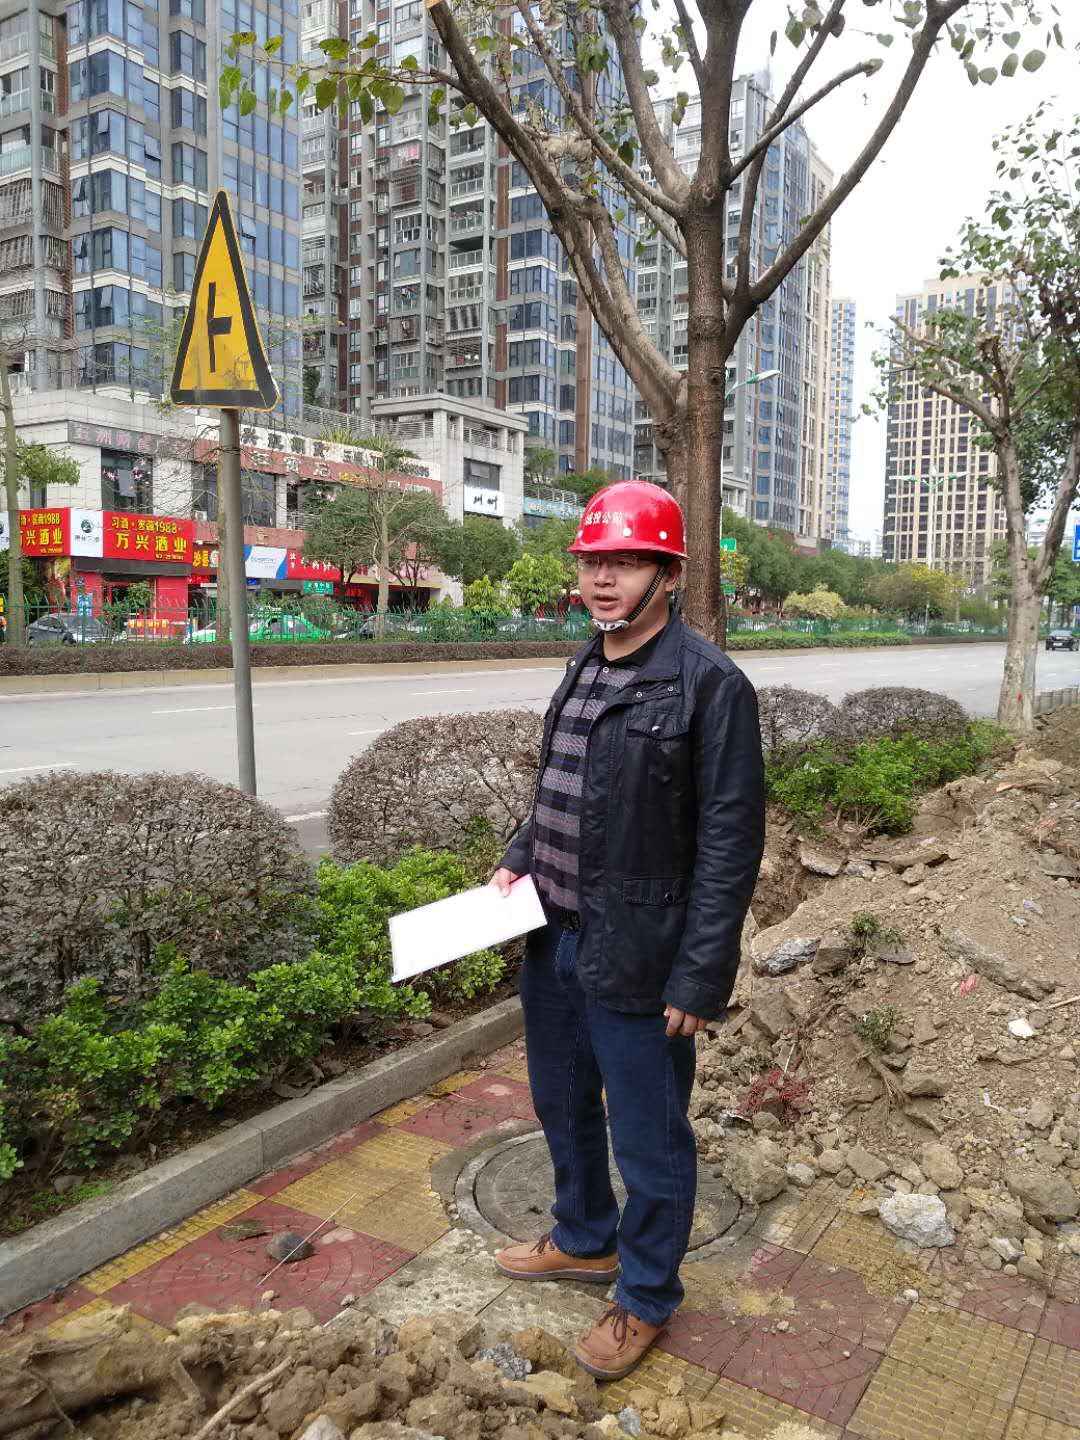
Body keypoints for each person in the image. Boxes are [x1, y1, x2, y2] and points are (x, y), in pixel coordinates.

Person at [490, 480, 765, 1381]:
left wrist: (702, 974)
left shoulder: (710, 685)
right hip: (555, 940)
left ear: (668, 574)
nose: (603, 580)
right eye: (593, 562)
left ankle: (646, 1294)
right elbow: (562, 785)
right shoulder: (584, 665)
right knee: (560, 1104)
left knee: (650, 1139)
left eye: (627, 562)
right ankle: (583, 1236)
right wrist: (521, 853)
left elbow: (730, 842)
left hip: (643, 952)